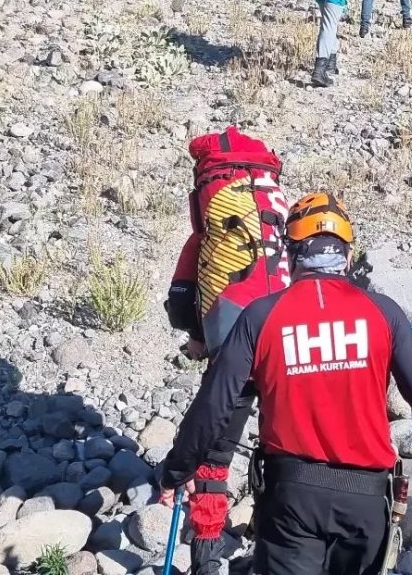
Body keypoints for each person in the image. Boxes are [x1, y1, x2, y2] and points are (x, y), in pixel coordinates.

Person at [160, 192, 412, 575]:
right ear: (346, 255)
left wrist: (176, 472)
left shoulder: (260, 316)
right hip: (366, 500)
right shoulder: (383, 312)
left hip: (290, 496)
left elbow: (215, 405)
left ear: (291, 255)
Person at [165, 128, 293, 575]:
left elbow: (183, 291)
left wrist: (195, 334)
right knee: (286, 443)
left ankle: (205, 550)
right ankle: (275, 536)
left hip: (233, 337)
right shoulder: (274, 209)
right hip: (284, 336)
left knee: (215, 451)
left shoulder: (211, 217)